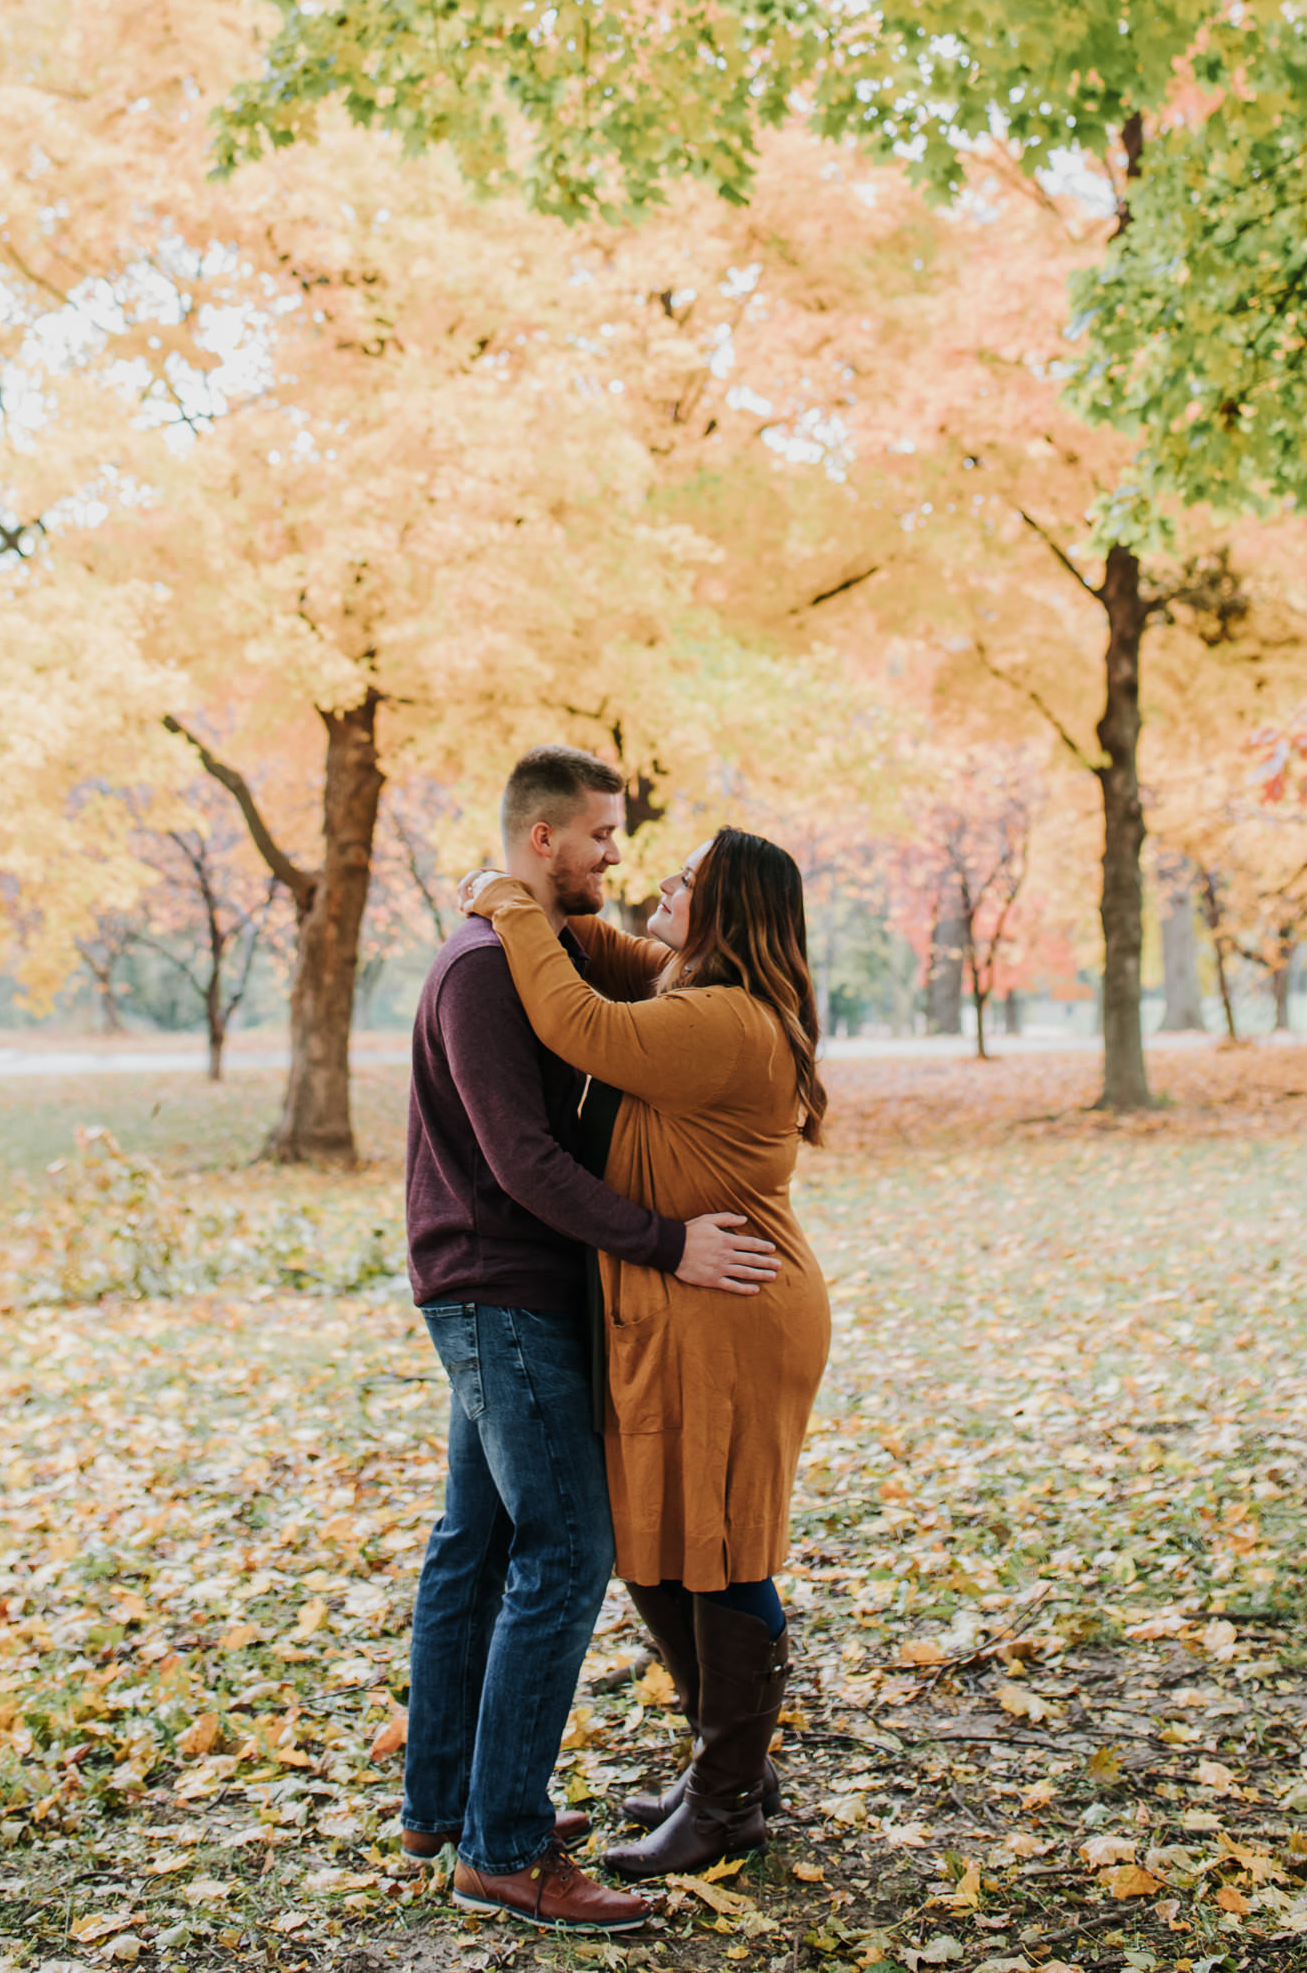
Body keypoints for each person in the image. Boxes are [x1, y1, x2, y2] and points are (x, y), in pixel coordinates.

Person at [402, 746, 780, 1936]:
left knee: (479, 1540)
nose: (621, 860)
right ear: (542, 841)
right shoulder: (485, 969)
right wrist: (666, 1245)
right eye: (604, 837)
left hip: (522, 1288)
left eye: (634, 847)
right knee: (566, 1552)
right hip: (500, 1292)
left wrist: (505, 898)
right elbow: (524, 1159)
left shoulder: (558, 956)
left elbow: (586, 1008)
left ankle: (451, 1802)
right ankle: (502, 1848)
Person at [461, 827, 830, 1881]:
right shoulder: (685, 981)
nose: (659, 886)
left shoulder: (719, 1020)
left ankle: (725, 1800)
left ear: (730, 915)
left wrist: (509, 908)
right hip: (685, 1308)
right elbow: (600, 949)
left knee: (724, 1548)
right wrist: (529, 887)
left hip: (738, 1312)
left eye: (687, 882)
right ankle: (730, 1766)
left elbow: (576, 1021)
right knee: (663, 1539)